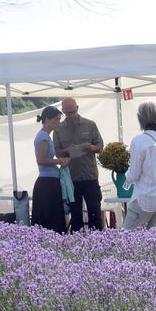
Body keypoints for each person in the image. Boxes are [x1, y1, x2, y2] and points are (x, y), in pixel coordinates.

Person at [53, 97, 105, 231]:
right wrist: (67, 150)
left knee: (94, 212)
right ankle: (76, 245)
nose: (71, 116)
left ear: (77, 108)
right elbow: (57, 153)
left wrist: (92, 148)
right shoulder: (58, 129)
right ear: (63, 111)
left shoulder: (90, 125)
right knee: (75, 216)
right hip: (71, 178)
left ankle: (98, 243)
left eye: (73, 112)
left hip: (90, 176)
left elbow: (100, 146)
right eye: (68, 113)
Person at [124, 101, 156, 230]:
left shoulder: (139, 141)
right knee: (154, 245)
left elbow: (134, 173)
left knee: (128, 241)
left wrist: (126, 178)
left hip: (144, 199)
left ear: (140, 118)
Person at [32, 105, 69, 232]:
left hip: (51, 181)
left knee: (53, 218)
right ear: (47, 119)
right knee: (50, 219)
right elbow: (41, 160)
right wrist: (60, 161)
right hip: (47, 183)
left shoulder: (46, 136)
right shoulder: (43, 137)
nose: (59, 122)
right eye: (57, 119)